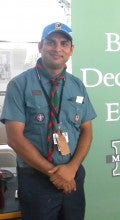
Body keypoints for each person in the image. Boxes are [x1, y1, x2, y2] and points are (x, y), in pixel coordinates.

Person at [0, 22, 97, 220]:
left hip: (73, 176)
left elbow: (87, 130)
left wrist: (71, 169)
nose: (57, 48)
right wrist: (54, 173)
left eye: (64, 43)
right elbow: (15, 138)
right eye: (51, 42)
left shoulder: (77, 85)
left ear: (71, 50)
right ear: (40, 46)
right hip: (37, 179)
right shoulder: (20, 85)